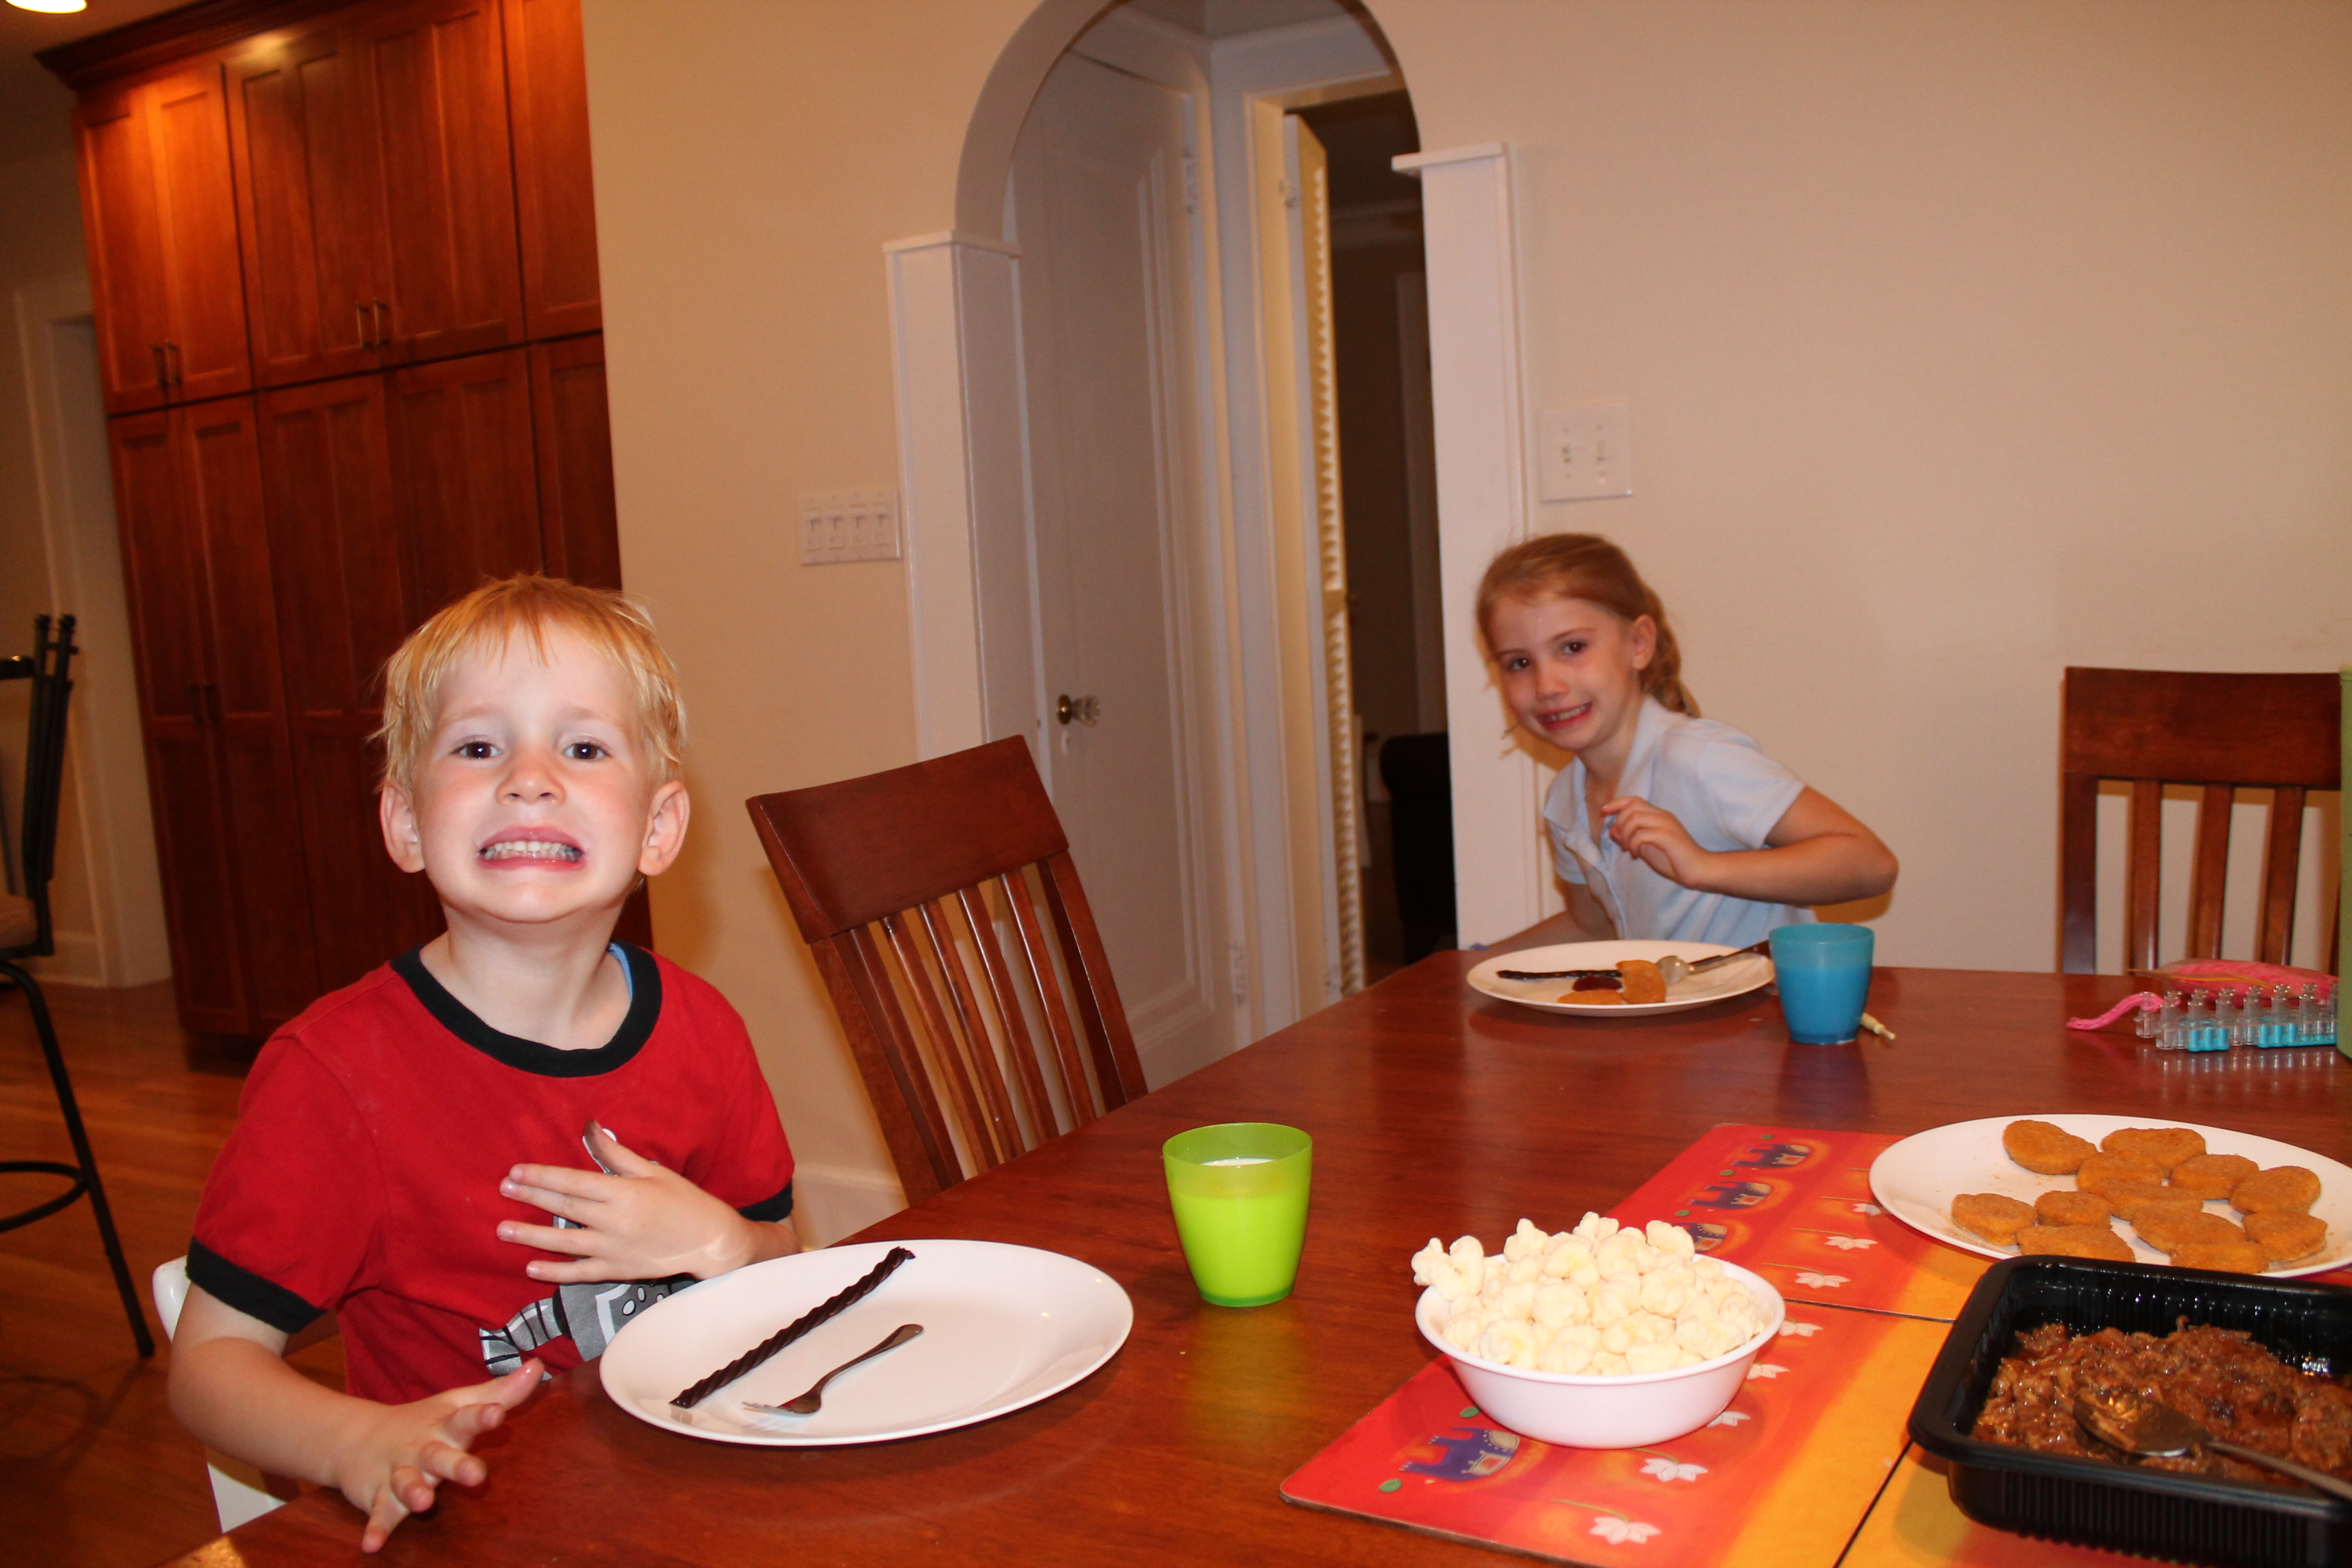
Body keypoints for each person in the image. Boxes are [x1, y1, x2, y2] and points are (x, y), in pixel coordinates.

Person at [168, 576, 799, 1551]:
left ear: (659, 828)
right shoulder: (333, 1075)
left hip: (690, 1495)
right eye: (477, 747)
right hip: (474, 1529)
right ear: (406, 824)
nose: (529, 778)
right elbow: (208, 1367)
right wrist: (358, 1439)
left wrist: (722, 1243)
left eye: (582, 748)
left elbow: (781, 1250)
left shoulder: (703, 1028)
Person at [1478, 534, 1896, 946]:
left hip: (1764, 992)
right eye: (1519, 663)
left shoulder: (1699, 760)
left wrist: (1704, 867)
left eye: (1573, 647)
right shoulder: (1563, 801)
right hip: (1665, 995)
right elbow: (1594, 926)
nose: (1547, 686)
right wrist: (1470, 964)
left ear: (1638, 644)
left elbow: (1871, 864)